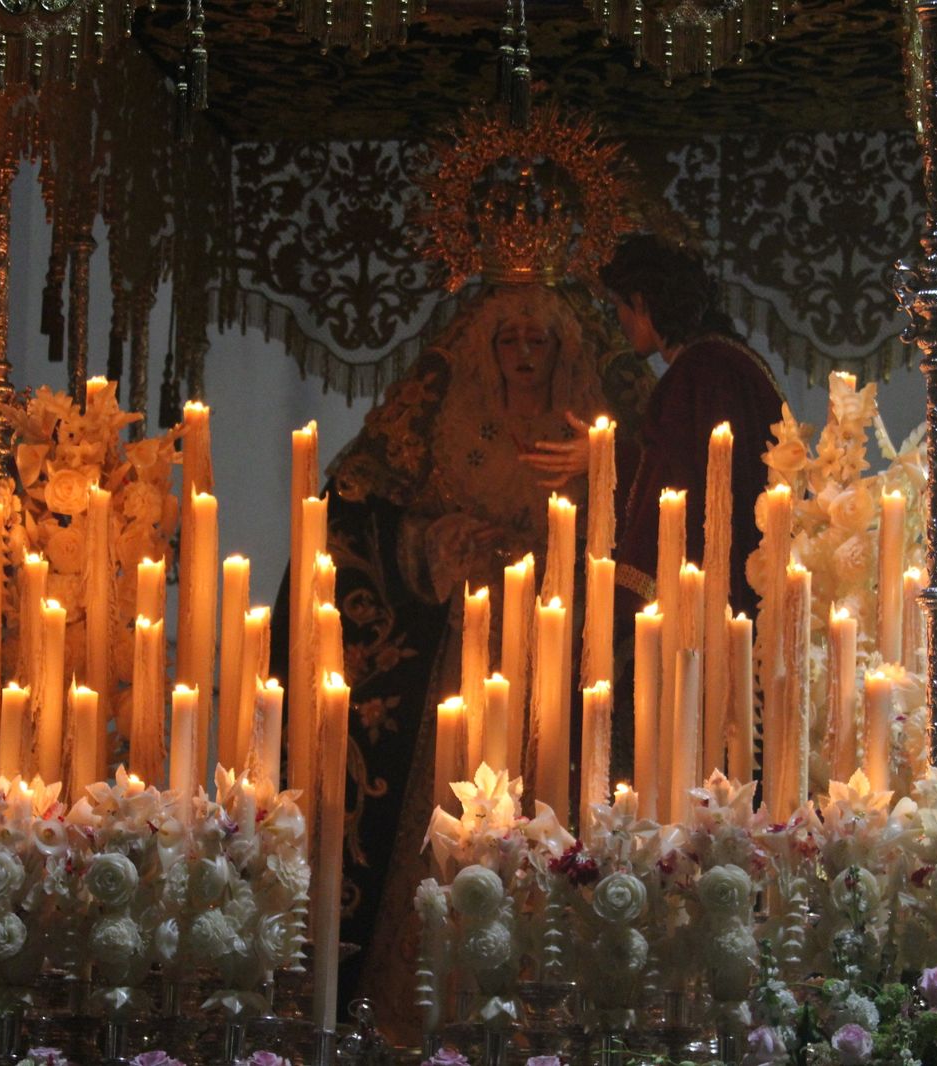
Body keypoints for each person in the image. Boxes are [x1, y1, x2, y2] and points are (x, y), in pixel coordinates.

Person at [271, 284, 613, 1038]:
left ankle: (543, 1014)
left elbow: (638, 537)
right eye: (509, 341)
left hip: (559, 655)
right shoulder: (434, 413)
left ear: (564, 352)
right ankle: (412, 1015)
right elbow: (358, 510)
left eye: (539, 343)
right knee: (444, 816)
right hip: (459, 653)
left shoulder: (598, 428)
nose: (524, 356)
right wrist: (428, 545)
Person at [596, 233, 784, 619]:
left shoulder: (696, 373)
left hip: (713, 593)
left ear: (641, 302)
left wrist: (604, 459)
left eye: (620, 307)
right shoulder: (732, 360)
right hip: (757, 573)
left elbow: (677, 482)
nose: (620, 322)